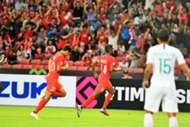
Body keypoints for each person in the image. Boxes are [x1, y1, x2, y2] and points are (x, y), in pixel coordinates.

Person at [142, 28, 190, 127]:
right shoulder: (175, 51)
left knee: (148, 111)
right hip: (169, 84)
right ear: (169, 39)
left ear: (158, 39)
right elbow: (185, 69)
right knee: (172, 114)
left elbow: (148, 69)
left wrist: (145, 80)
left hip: (156, 83)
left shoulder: (152, 50)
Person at [30, 46, 72, 120]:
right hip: (52, 78)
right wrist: (65, 67)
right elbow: (58, 69)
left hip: (53, 77)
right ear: (66, 51)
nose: (68, 55)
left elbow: (52, 62)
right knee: (47, 97)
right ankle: (34, 112)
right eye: (68, 53)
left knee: (63, 93)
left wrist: (65, 64)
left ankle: (47, 92)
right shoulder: (60, 56)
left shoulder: (57, 54)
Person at [77, 44, 119, 117]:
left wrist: (94, 73)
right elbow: (111, 69)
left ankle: (103, 108)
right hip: (104, 79)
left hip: (101, 77)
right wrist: (119, 69)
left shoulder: (101, 57)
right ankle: (81, 106)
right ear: (109, 50)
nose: (113, 50)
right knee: (95, 95)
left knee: (112, 91)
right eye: (112, 49)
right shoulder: (112, 58)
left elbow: (93, 64)